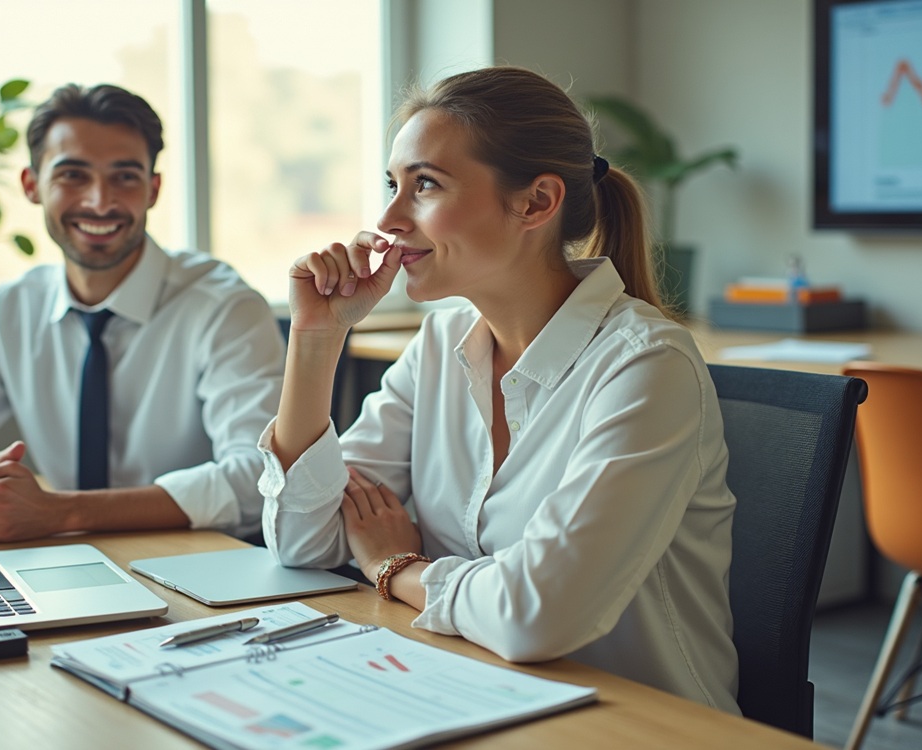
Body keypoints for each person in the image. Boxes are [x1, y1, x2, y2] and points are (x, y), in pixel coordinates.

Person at [259, 66, 739, 713]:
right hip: (469, 692)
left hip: (631, 721)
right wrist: (316, 343)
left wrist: (396, 568)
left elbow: (536, 615)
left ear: (536, 203)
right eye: (392, 185)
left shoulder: (646, 367)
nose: (389, 219)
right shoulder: (440, 342)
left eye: (425, 186)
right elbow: (302, 543)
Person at [0, 83, 285, 544]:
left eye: (125, 177)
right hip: (68, 558)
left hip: (205, 559)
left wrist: (59, 512)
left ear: (153, 189)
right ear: (32, 185)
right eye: (73, 175)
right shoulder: (10, 310)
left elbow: (260, 478)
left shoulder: (224, 307)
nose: (99, 201)